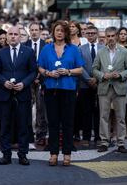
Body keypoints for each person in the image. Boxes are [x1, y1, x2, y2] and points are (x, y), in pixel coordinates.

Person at [38, 20, 84, 166]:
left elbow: (80, 69)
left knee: (68, 123)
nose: (59, 33)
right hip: (51, 89)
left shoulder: (73, 49)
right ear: (53, 32)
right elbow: (40, 67)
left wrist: (68, 71)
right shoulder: (46, 49)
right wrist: (48, 73)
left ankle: (67, 153)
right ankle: (53, 153)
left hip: (68, 89)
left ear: (66, 33)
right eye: (57, 30)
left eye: (62, 31)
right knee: (53, 122)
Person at [0, 26, 37, 165]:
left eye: (15, 34)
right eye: (10, 34)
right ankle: (6, 154)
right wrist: (4, 82)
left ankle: (23, 154)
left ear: (20, 36)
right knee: (5, 125)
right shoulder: (1, 52)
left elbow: (33, 72)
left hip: (23, 94)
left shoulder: (29, 52)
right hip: (5, 94)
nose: (12, 36)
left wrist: (24, 84)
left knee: (23, 125)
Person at [92, 26, 127, 153]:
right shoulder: (100, 52)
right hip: (104, 87)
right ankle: (104, 142)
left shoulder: (125, 52)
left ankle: (121, 143)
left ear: (116, 36)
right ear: (105, 37)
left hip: (119, 87)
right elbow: (94, 69)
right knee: (103, 116)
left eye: (112, 36)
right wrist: (102, 75)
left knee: (120, 117)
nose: (110, 39)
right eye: (108, 36)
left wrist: (120, 75)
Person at [79, 26, 104, 145]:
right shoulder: (80, 49)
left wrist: (97, 78)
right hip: (85, 84)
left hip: (100, 84)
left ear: (97, 34)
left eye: (93, 33)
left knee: (99, 111)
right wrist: (89, 79)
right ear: (85, 35)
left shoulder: (103, 48)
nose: (90, 35)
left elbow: (106, 65)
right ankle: (86, 137)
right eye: (88, 33)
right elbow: (79, 66)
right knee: (85, 111)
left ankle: (99, 137)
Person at [26, 22, 47, 147]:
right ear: (29, 31)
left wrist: (40, 77)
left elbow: (47, 63)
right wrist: (31, 77)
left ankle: (41, 134)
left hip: (42, 81)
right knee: (28, 108)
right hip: (28, 81)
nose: (34, 32)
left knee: (41, 108)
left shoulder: (46, 46)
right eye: (32, 30)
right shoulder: (25, 45)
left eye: (36, 30)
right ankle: (29, 133)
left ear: (40, 31)